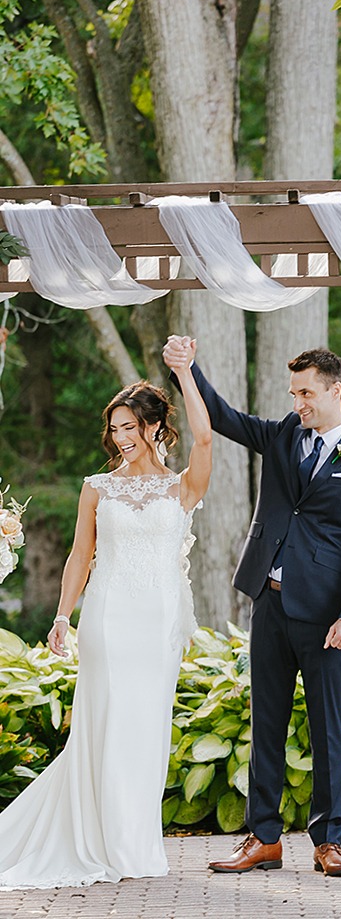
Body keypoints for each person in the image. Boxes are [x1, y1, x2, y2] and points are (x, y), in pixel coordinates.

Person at [163, 339, 341, 877]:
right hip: (268, 603)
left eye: (307, 393)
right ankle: (263, 838)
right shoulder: (285, 435)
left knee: (327, 727)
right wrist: (186, 367)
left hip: (327, 618)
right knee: (265, 721)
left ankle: (329, 840)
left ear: (335, 390)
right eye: (293, 393)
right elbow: (222, 417)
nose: (298, 404)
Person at [0, 341, 211, 889]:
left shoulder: (182, 485)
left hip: (158, 625)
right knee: (108, 725)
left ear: (155, 428)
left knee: (146, 729)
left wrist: (186, 373)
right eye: (114, 429)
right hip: (108, 617)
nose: (121, 438)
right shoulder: (97, 488)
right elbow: (79, 555)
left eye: (130, 428)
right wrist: (63, 616)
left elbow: (207, 437)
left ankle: (135, 841)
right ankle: (104, 844)